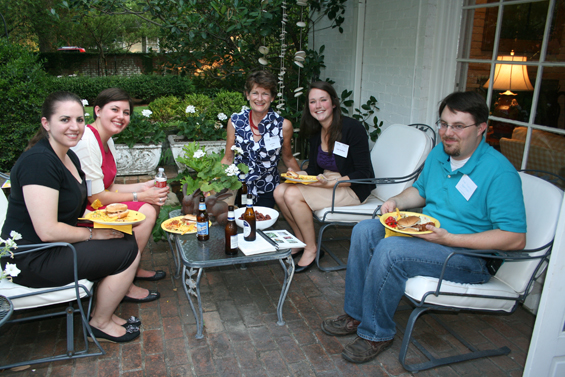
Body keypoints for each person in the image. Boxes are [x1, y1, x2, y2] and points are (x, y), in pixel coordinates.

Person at [320, 91, 527, 364]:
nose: (447, 133)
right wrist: (396, 200)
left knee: (391, 250)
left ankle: (376, 333)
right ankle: (356, 315)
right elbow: (420, 191)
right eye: (443, 124)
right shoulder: (440, 153)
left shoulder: (499, 173)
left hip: (470, 257)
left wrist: (450, 239)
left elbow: (515, 238)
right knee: (364, 230)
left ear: (481, 129)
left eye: (458, 126)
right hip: (430, 236)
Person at [1, 91, 142, 343]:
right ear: (46, 123)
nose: (74, 127)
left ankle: (103, 312)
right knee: (126, 249)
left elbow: (82, 205)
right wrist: (93, 234)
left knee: (123, 235)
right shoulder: (39, 163)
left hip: (54, 245)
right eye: (65, 119)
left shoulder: (68, 156)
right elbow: (48, 230)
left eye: (79, 120)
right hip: (32, 257)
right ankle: (100, 323)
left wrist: (112, 221)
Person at [72, 88, 168, 303]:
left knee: (152, 204)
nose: (121, 117)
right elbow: (96, 197)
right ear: (97, 110)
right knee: (146, 211)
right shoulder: (88, 141)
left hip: (96, 201)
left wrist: (145, 186)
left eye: (126, 113)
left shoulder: (108, 140)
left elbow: (110, 186)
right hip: (83, 211)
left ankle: (132, 267)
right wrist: (140, 196)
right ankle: (123, 281)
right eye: (114, 109)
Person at [274, 82, 375, 273]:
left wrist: (330, 183)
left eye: (323, 100)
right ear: (309, 107)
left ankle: (312, 249)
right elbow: (314, 170)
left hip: (351, 187)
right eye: (313, 101)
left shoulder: (352, 128)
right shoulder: (316, 131)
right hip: (326, 180)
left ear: (334, 103)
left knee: (292, 195)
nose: (318, 105)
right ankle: (301, 241)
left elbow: (363, 173)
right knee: (280, 191)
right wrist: (298, 176)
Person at [221, 71, 301, 208]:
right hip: (239, 187)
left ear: (272, 97)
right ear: (247, 95)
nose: (259, 98)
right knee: (238, 225)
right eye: (255, 93)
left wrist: (303, 182)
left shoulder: (283, 126)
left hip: (267, 188)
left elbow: (287, 158)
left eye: (265, 93)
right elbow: (228, 159)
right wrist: (214, 182)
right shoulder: (235, 122)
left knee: (262, 224)